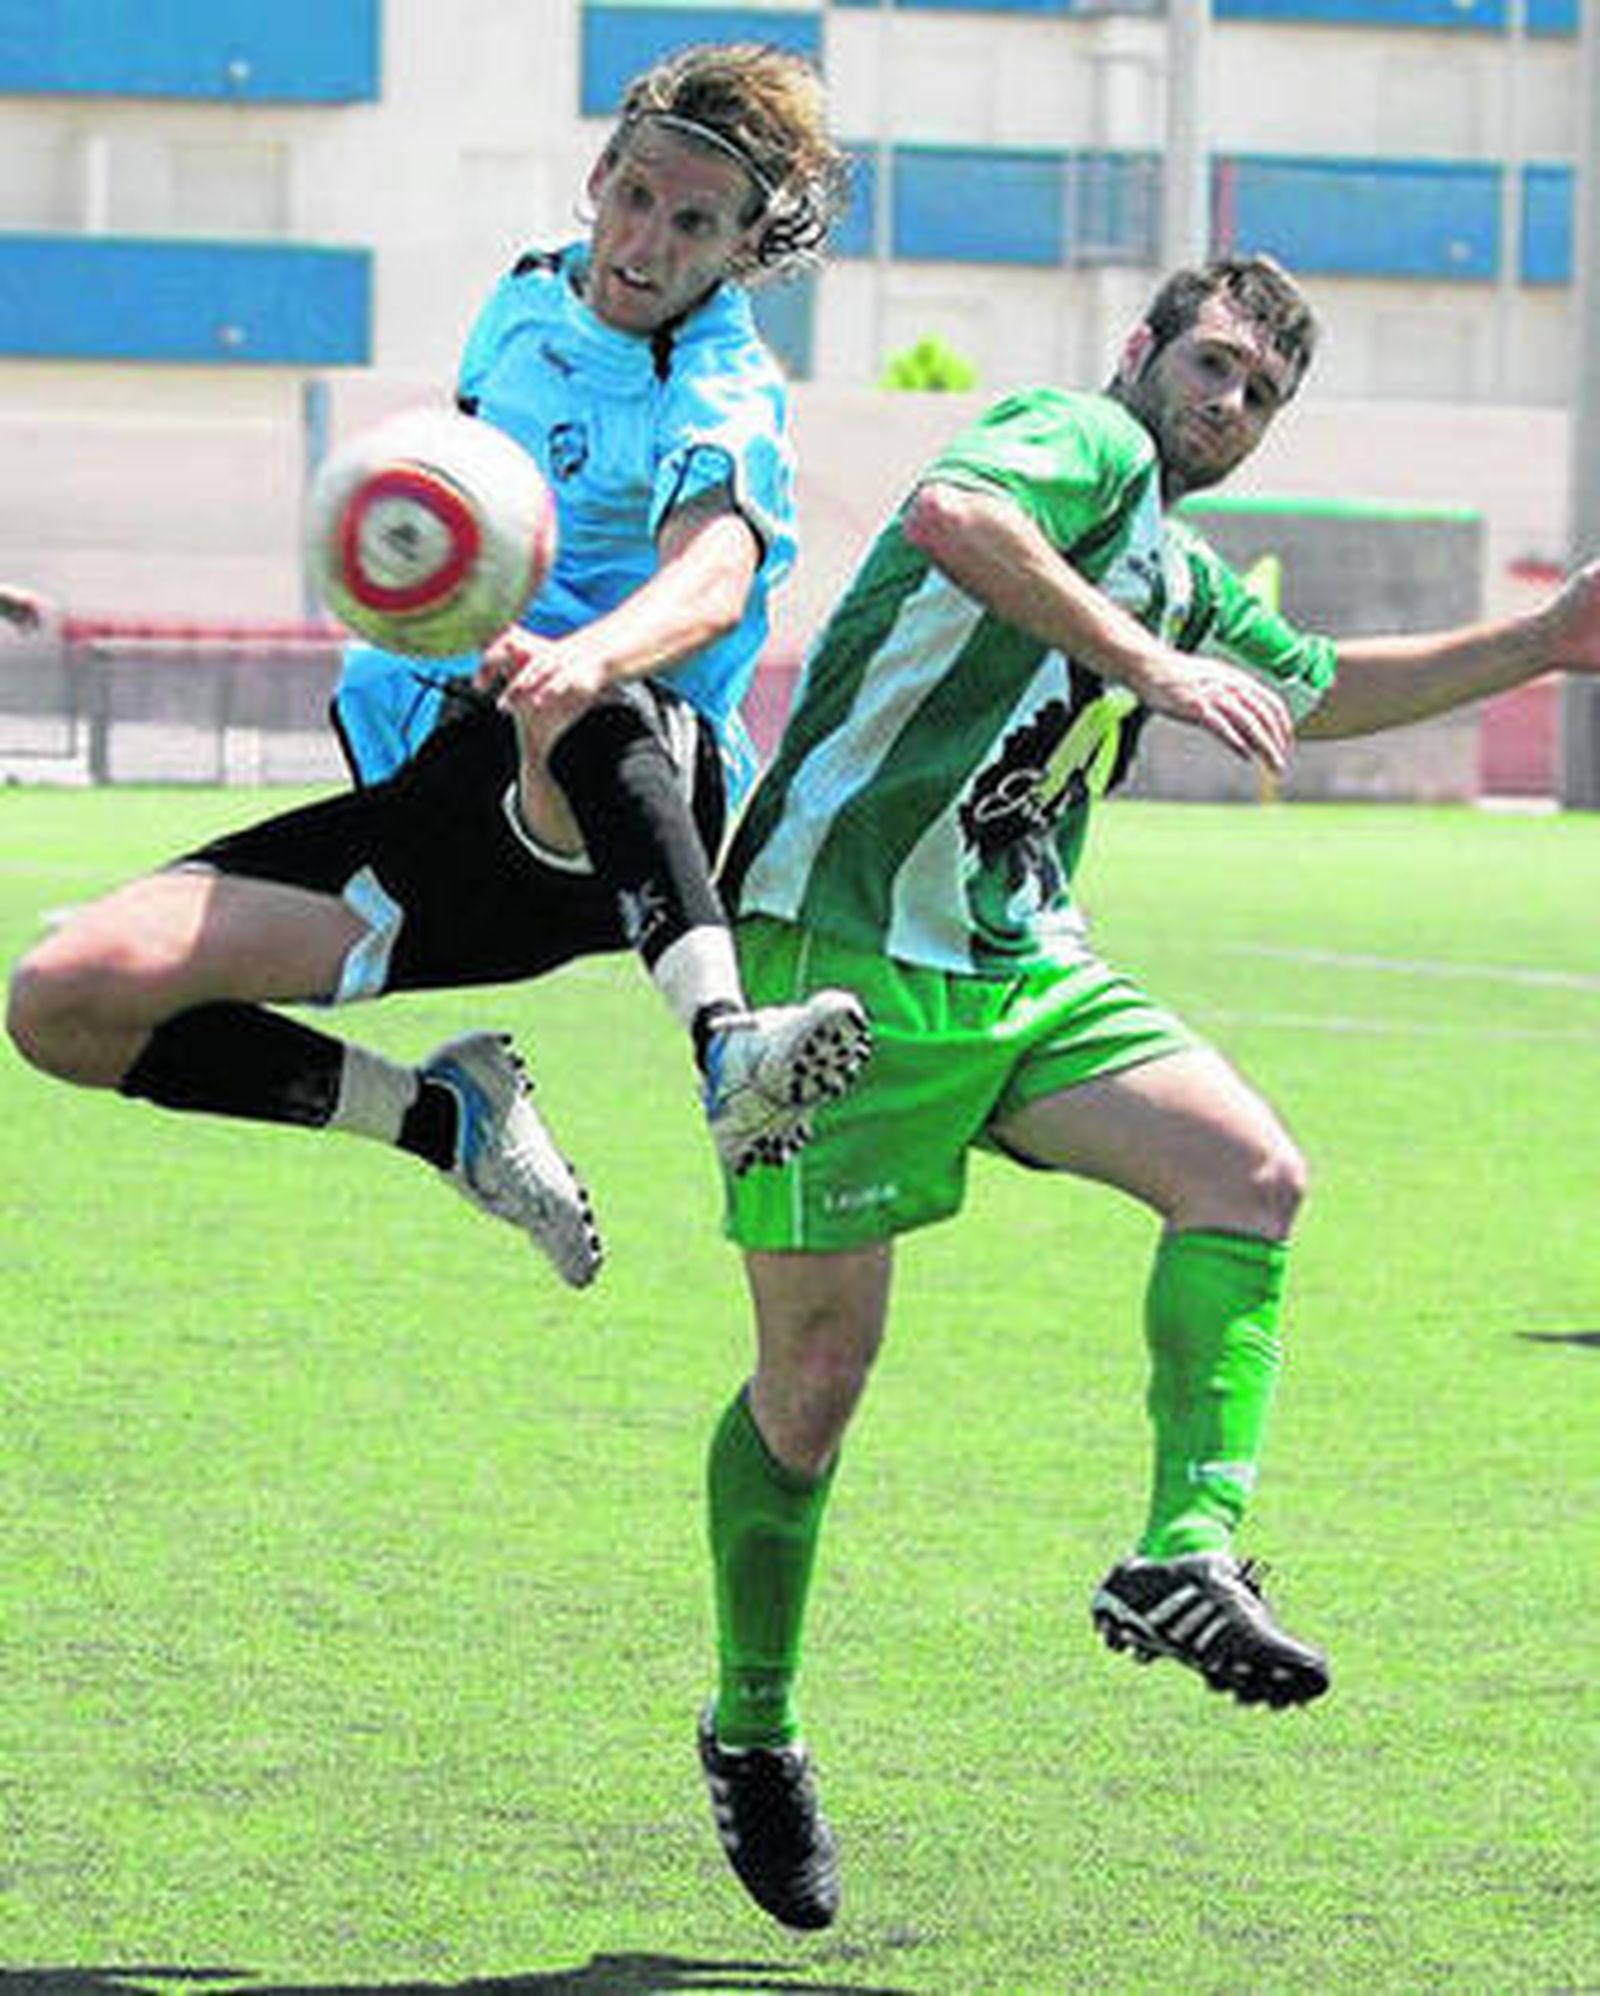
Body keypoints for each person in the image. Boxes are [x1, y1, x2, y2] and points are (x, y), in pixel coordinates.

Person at [691, 252, 1600, 1930]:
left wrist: (1545, 641)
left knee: (1249, 1173)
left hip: (1017, 957)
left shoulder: (1173, 568)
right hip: (840, 950)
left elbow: (1315, 690)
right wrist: (1152, 665)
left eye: (1261, 393)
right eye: (1215, 364)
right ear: (1143, 350)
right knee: (813, 1385)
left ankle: (1185, 1551)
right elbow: (960, 515)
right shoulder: (1078, 440)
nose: (1229, 403)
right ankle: (752, 1727)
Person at [6, 44, 869, 1292]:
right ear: (598, 178)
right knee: (67, 999)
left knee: (583, 704)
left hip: (618, 804)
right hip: (442, 798)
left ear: (740, 247)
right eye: (635, 197)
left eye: (693, 225)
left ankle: (725, 1044)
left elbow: (715, 575)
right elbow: (469, 509)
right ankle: (442, 1116)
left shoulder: (720, 383)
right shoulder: (524, 299)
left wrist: (577, 658)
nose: (646, 243)